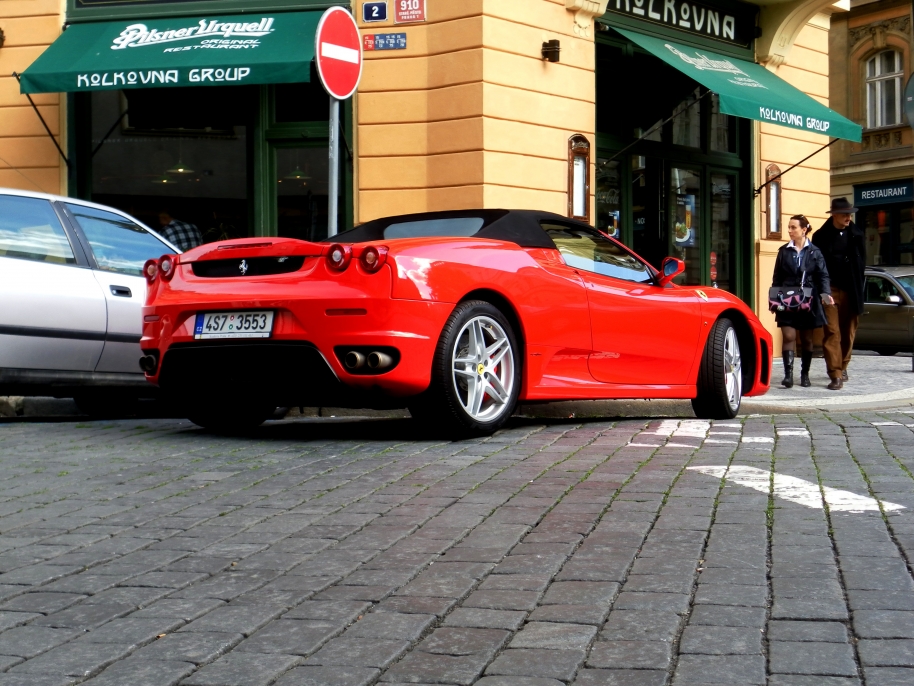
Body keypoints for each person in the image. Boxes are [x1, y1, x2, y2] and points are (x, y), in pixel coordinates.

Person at [772, 215, 833, 388]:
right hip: (787, 298)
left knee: (806, 339)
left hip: (808, 298)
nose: (790, 231)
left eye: (793, 227)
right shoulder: (784, 251)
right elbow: (777, 278)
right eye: (789, 227)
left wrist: (825, 294)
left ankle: (805, 374)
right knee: (789, 336)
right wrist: (775, 299)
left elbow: (823, 275)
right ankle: (788, 376)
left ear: (804, 230)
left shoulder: (815, 252)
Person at [811, 197, 866, 390]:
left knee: (848, 331)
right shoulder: (820, 236)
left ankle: (843, 366)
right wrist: (821, 291)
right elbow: (815, 267)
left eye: (850, 214)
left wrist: (859, 289)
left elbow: (862, 265)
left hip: (851, 290)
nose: (848, 218)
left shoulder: (857, 235)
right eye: (844, 214)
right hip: (829, 289)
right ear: (834, 215)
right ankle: (835, 374)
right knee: (832, 331)